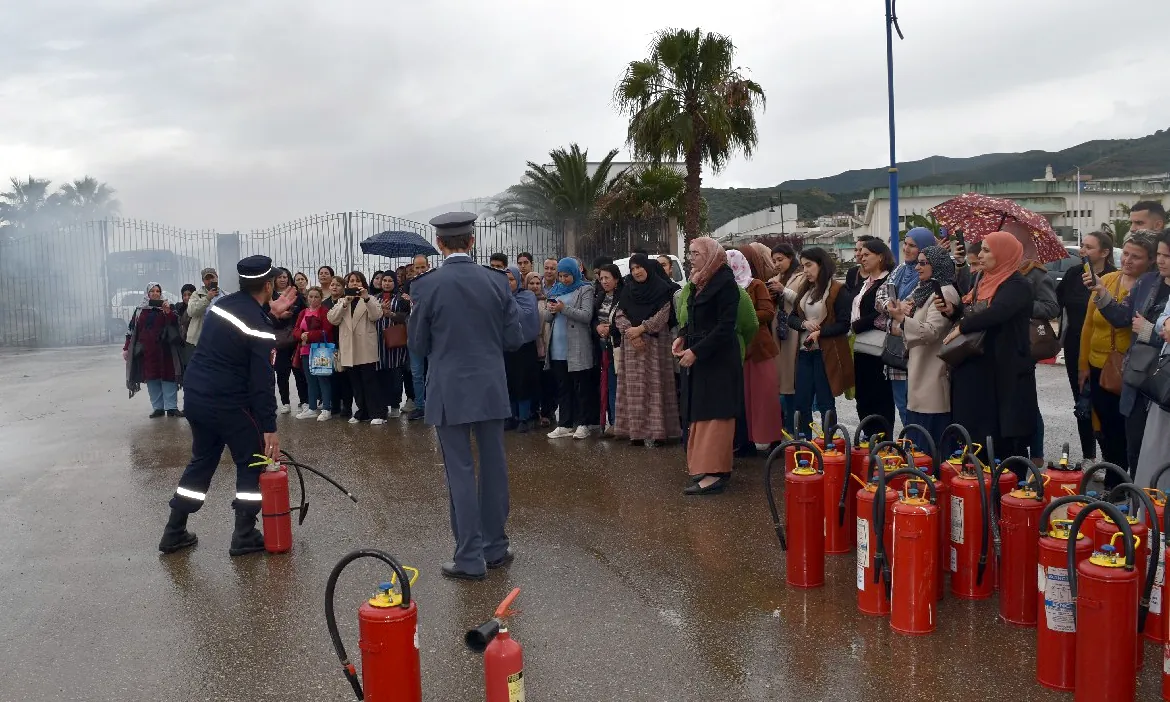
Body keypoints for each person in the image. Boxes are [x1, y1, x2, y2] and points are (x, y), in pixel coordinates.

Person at [407, 212, 524, 580]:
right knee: (494, 468)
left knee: (459, 470)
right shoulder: (496, 281)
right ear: (472, 242)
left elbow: (418, 344)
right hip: (489, 386)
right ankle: (495, 547)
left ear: (440, 245)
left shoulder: (426, 286)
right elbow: (513, 339)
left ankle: (469, 558)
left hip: (449, 388)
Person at [158, 255, 298, 557]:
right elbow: (262, 383)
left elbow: (236, 335)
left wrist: (267, 314)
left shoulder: (220, 305)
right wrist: (270, 429)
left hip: (197, 397)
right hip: (230, 403)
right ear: (269, 284)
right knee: (252, 462)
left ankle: (174, 531)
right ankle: (244, 534)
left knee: (202, 461)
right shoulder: (259, 325)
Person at [943, 232, 1037, 473]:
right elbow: (972, 313)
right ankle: (978, 493)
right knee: (974, 438)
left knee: (1003, 442)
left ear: (1003, 254)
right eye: (981, 250)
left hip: (1003, 372)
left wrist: (963, 325)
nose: (981, 255)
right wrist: (953, 312)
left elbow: (998, 313)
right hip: (975, 369)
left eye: (986, 250)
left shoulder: (1017, 285)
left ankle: (1008, 497)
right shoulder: (981, 280)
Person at [1092, 230, 1170, 473]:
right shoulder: (1148, 282)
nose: (1161, 260)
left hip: (1164, 381)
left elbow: (1147, 330)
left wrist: (1148, 331)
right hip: (1138, 378)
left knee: (1162, 454)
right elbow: (1122, 317)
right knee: (1134, 447)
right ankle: (1138, 503)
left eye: (1167, 256)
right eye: (1159, 254)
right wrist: (1101, 292)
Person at [674, 238, 741, 495]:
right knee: (701, 412)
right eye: (689, 253)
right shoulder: (700, 281)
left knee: (715, 415)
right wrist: (682, 335)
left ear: (712, 255)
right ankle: (705, 467)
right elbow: (693, 318)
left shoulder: (725, 283)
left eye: (697, 253)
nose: (692, 258)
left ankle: (714, 474)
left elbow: (725, 327)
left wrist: (697, 351)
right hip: (702, 358)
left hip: (718, 360)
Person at [887, 246, 960, 448]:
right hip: (919, 376)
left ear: (937, 265)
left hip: (933, 379)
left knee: (931, 446)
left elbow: (931, 331)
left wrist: (902, 319)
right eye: (917, 262)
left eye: (923, 263)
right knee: (917, 445)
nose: (918, 267)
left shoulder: (944, 292)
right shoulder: (923, 291)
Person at [778, 247, 854, 438]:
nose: (805, 270)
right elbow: (792, 318)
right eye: (803, 266)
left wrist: (820, 332)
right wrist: (804, 323)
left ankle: (830, 443)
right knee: (801, 402)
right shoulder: (806, 289)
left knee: (825, 402)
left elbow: (844, 324)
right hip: (804, 352)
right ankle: (805, 443)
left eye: (809, 265)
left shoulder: (837, 290)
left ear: (822, 264)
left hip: (825, 353)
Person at [1057, 231, 1114, 462]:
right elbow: (1056, 304)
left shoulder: (1113, 277)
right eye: (1082, 246)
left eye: (1089, 247)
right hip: (1075, 347)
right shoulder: (1073, 274)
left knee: (1104, 406)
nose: (1083, 251)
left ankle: (1111, 459)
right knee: (1082, 403)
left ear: (1104, 252)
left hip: (1105, 351)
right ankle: (1088, 457)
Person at [613, 254, 680, 447]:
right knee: (635, 390)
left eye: (639, 267)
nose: (636, 272)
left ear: (647, 268)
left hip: (656, 346)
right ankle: (636, 433)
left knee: (656, 387)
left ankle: (659, 433)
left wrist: (641, 329)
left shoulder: (662, 290)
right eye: (633, 269)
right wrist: (631, 334)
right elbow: (619, 314)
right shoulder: (628, 290)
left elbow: (663, 314)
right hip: (633, 347)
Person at [733, 246, 785, 449]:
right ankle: (745, 441)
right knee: (743, 398)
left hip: (758, 349)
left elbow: (767, 312)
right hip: (738, 350)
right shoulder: (725, 287)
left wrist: (743, 319)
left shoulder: (755, 285)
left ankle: (772, 440)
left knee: (764, 397)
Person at [887, 227, 937, 427]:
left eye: (913, 246)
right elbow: (882, 296)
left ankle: (920, 449)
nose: (906, 249)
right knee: (901, 401)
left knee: (917, 403)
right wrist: (893, 309)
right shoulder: (900, 270)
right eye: (905, 244)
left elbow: (910, 307)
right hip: (896, 345)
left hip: (916, 345)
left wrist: (897, 310)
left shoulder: (931, 279)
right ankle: (912, 445)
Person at [543, 258, 596, 439]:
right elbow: (547, 318)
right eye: (561, 275)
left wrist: (563, 308)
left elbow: (586, 315)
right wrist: (550, 310)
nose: (564, 279)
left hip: (577, 346)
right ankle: (565, 424)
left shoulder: (585, 289)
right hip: (557, 347)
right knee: (563, 387)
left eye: (567, 275)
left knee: (580, 386)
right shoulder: (555, 290)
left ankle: (583, 423)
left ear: (575, 273)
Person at [849, 239, 896, 434]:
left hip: (879, 346)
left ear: (881, 257)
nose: (862, 257)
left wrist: (857, 325)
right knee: (864, 395)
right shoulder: (865, 282)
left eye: (867, 254)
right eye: (861, 254)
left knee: (880, 396)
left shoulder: (889, 281)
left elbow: (883, 312)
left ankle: (883, 440)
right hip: (861, 346)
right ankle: (869, 436)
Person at [327, 271, 386, 425]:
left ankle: (377, 413)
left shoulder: (370, 299)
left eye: (357, 281)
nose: (354, 283)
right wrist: (345, 303)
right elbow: (332, 319)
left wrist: (366, 298)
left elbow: (376, 315)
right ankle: (362, 412)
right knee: (355, 382)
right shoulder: (342, 301)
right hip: (349, 347)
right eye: (351, 281)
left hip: (365, 346)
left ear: (363, 283)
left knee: (369, 381)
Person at [123, 282, 185, 418]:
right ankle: (158, 407)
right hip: (148, 352)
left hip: (166, 350)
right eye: (152, 291)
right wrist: (127, 348)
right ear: (147, 293)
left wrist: (168, 312)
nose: (155, 293)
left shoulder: (168, 306)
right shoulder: (140, 310)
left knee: (168, 377)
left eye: (158, 291)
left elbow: (176, 323)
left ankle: (171, 407)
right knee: (152, 378)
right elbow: (132, 330)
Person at [768, 243, 803, 430]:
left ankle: (796, 426)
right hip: (778, 332)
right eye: (774, 261)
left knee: (792, 379)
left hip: (794, 332)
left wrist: (784, 291)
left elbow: (803, 302)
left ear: (791, 258)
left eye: (780, 259)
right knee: (780, 379)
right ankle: (786, 426)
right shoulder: (775, 279)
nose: (777, 264)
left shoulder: (801, 277)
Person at [503, 265, 542, 432]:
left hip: (525, 347)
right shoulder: (499, 297)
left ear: (518, 280)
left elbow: (525, 317)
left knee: (523, 382)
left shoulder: (527, 296)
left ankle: (524, 418)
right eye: (504, 280)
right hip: (506, 346)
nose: (508, 283)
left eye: (511, 280)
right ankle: (511, 416)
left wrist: (509, 299)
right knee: (508, 382)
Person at [293, 286, 335, 421]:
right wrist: (301, 335)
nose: (313, 299)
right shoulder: (303, 312)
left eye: (316, 296)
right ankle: (311, 408)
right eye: (310, 296)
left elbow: (326, 330)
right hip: (305, 350)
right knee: (310, 380)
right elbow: (296, 329)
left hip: (320, 350)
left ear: (321, 298)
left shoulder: (324, 312)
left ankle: (326, 409)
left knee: (322, 378)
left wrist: (308, 336)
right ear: (307, 297)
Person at [374, 271, 411, 418]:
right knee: (381, 376)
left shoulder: (401, 298)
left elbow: (407, 317)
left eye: (390, 281)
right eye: (384, 280)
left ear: (395, 283)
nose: (387, 283)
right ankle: (383, 404)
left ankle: (395, 404)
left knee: (395, 376)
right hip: (378, 342)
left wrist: (391, 314)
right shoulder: (374, 298)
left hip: (396, 343)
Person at [271, 267, 307, 414]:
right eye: (279, 277)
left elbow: (305, 314)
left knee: (299, 371)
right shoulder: (270, 296)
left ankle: (304, 400)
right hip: (279, 339)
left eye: (285, 277)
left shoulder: (297, 296)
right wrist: (279, 316)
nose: (282, 279)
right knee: (281, 372)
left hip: (296, 338)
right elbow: (266, 317)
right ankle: (285, 402)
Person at [593, 263, 623, 435]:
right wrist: (597, 327)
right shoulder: (600, 296)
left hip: (617, 346)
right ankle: (611, 421)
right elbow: (593, 318)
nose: (604, 281)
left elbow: (626, 320)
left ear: (616, 279)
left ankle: (617, 422)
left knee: (615, 384)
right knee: (607, 384)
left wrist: (609, 330)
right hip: (602, 347)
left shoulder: (623, 296)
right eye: (601, 278)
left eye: (607, 278)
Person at [527, 271, 557, 427]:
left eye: (538, 283)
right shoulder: (523, 300)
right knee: (533, 382)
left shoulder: (547, 301)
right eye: (531, 283)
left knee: (547, 381)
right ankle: (533, 412)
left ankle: (547, 411)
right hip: (530, 346)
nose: (535, 286)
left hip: (546, 345)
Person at [406, 255, 432, 420]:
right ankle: (420, 406)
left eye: (423, 267)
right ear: (413, 268)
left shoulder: (435, 283)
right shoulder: (410, 285)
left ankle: (434, 403)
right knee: (416, 373)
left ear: (428, 266)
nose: (420, 270)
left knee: (433, 372)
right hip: (414, 335)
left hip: (432, 334)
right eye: (417, 267)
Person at [185, 268, 219, 351]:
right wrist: (207, 298)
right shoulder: (196, 295)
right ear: (203, 281)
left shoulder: (225, 295)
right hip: (201, 340)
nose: (210, 281)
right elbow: (191, 312)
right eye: (207, 279)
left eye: (212, 277)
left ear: (217, 277)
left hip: (220, 337)